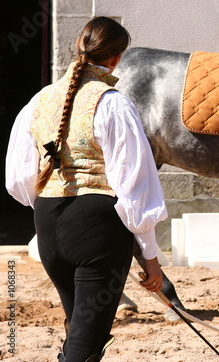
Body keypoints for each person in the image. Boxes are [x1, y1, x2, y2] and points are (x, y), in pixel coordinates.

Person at [5, 17, 167, 361]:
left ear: (78, 47)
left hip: (49, 225)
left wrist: (49, 207)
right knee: (83, 345)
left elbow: (18, 181)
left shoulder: (38, 101)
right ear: (116, 59)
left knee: (81, 335)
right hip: (98, 230)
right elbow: (134, 186)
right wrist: (151, 260)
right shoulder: (113, 103)